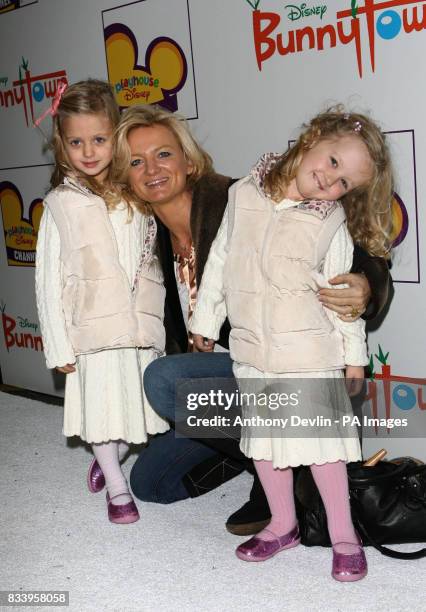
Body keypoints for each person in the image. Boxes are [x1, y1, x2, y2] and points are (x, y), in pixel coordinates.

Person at [113, 104, 390, 532]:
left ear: (188, 160)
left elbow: (358, 251)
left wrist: (366, 286)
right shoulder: (140, 237)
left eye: (163, 154)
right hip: (237, 371)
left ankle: (293, 461)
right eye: (136, 161)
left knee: (164, 378)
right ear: (125, 174)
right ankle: (262, 458)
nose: (151, 168)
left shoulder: (241, 194)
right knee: (152, 483)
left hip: (291, 364)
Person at [188, 107, 394, 580]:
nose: (332, 182)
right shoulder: (241, 193)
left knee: (322, 448)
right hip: (251, 348)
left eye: (346, 183)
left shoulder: (331, 223)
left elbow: (342, 299)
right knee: (263, 444)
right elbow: (220, 259)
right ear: (313, 137)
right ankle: (283, 525)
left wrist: (354, 356)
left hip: (308, 352)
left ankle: (344, 532)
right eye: (334, 162)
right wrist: (206, 317)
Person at [35, 79, 169, 524]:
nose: (88, 151)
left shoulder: (137, 193)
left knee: (135, 415)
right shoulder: (59, 204)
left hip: (139, 325)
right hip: (91, 329)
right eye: (76, 142)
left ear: (116, 135)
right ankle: (116, 485)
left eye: (98, 139)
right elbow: (47, 280)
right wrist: (57, 345)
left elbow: (152, 260)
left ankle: (109, 456)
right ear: (62, 144)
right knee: (101, 413)